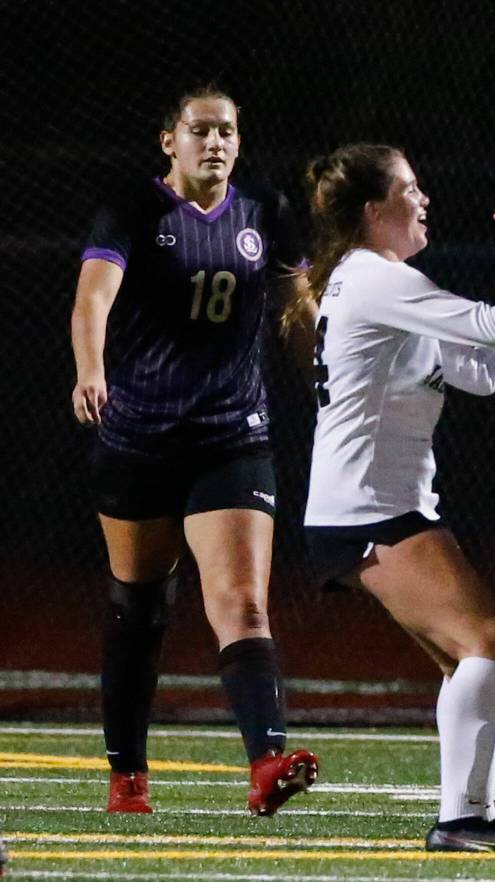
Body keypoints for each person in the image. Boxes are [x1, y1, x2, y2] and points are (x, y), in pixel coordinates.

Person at [302, 144, 495, 852]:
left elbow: (481, 369)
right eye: (411, 188)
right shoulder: (375, 279)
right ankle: (463, 819)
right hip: (370, 508)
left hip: (367, 505)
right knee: (488, 642)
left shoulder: (378, 282)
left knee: (465, 658)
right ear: (376, 212)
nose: (425, 199)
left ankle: (468, 815)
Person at [70, 85, 318, 816]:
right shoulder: (134, 210)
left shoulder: (265, 212)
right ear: (168, 140)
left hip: (230, 436)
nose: (214, 142)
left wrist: (328, 377)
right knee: (140, 609)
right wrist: (91, 369)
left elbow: (297, 308)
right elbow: (93, 299)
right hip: (139, 435)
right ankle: (127, 778)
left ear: (240, 143)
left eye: (227, 132)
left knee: (241, 602)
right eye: (200, 130)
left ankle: (268, 762)